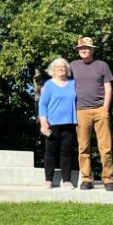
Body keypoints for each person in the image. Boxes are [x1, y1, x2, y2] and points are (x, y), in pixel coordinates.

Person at [70, 36, 113, 191]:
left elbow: (108, 88)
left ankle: (108, 180)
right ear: (78, 50)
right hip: (81, 111)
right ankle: (86, 179)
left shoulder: (102, 65)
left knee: (105, 147)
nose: (84, 50)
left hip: (100, 110)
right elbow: (65, 87)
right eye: (81, 48)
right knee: (83, 147)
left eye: (87, 48)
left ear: (92, 49)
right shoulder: (73, 66)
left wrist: (105, 108)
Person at [38, 58, 77, 189]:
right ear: (53, 70)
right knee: (50, 153)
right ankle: (48, 180)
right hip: (52, 123)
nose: (61, 69)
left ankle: (66, 180)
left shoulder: (73, 83)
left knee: (66, 152)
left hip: (70, 123)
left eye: (63, 67)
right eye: (58, 67)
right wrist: (43, 122)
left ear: (67, 70)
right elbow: (42, 104)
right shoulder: (48, 84)